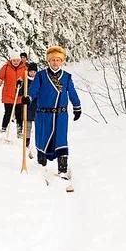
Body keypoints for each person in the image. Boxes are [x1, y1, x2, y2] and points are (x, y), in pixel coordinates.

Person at [25, 45, 81, 178]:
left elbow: (72, 93)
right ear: (48, 61)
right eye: (53, 60)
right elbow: (34, 89)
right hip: (44, 115)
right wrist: (28, 98)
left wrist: (77, 106)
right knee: (42, 139)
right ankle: (41, 165)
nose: (55, 62)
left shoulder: (66, 77)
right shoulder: (41, 76)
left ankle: (62, 169)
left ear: (62, 61)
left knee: (61, 140)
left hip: (61, 116)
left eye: (58, 60)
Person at [0, 51, 29, 138]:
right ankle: (4, 128)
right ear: (11, 60)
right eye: (14, 60)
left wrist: (23, 82)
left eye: (17, 60)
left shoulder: (24, 68)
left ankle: (20, 129)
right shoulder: (6, 67)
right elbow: (0, 76)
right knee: (8, 112)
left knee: (18, 113)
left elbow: (27, 79)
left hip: (19, 95)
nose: (16, 62)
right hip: (8, 94)